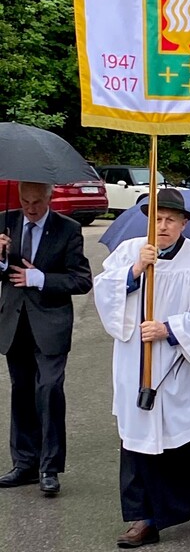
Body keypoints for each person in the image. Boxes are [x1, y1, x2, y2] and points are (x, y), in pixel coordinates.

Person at [94, 189, 190, 547]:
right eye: (157, 218)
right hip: (136, 364)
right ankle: (142, 518)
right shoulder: (129, 252)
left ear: (185, 223)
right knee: (137, 441)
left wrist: (169, 328)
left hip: (180, 364)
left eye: (170, 219)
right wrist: (135, 271)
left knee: (186, 442)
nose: (163, 225)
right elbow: (104, 292)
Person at [0, 182, 92, 496]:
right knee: (21, 390)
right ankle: (24, 463)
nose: (30, 208)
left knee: (49, 389)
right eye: (25, 201)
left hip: (51, 323)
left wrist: (39, 278)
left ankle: (49, 468)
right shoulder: (5, 220)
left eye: (37, 202)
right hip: (15, 321)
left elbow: (81, 279)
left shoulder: (68, 229)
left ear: (49, 199)